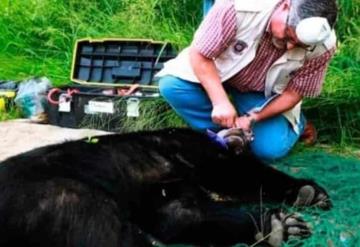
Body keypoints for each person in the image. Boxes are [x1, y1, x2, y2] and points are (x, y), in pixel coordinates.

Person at [156, 0, 338, 161]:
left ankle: (298, 124)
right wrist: (220, 102)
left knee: (269, 151)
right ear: (284, 6)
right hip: (218, 70)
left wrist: (253, 117)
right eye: (289, 36)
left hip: (262, 91)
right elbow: (200, 55)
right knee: (172, 86)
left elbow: (293, 94)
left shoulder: (323, 46)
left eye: (299, 45)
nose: (290, 46)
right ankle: (225, 134)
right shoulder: (236, 7)